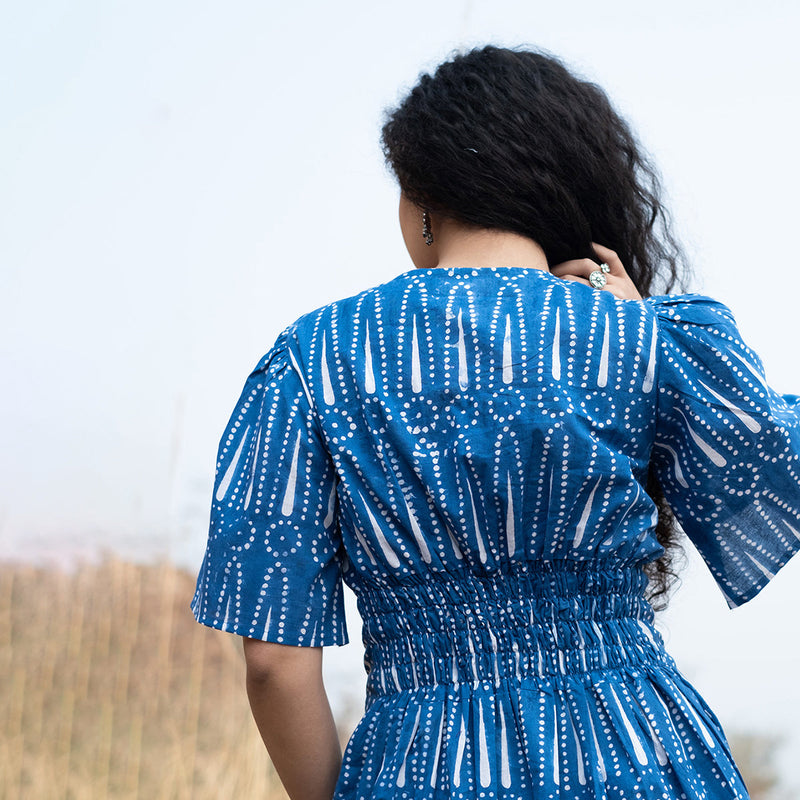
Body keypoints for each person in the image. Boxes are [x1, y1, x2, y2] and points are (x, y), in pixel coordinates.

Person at [191, 45, 800, 800]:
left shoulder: (310, 362)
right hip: (636, 749)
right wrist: (646, 335)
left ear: (423, 200)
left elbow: (273, 663)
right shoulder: (636, 335)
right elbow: (773, 461)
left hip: (417, 768)